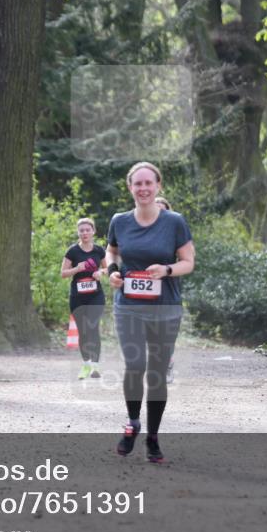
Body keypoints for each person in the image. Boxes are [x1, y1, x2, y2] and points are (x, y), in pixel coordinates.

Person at [106, 163, 195, 463]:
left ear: (158, 186)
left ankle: (153, 438)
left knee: (156, 373)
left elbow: (188, 261)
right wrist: (113, 271)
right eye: (137, 184)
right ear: (130, 187)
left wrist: (167, 269)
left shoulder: (174, 222)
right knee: (135, 365)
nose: (143, 188)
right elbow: (112, 251)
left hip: (165, 308)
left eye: (148, 183)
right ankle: (132, 424)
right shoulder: (119, 221)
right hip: (128, 305)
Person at [61, 218, 106, 379]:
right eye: (82, 230)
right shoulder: (72, 251)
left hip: (96, 296)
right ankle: (86, 364)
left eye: (88, 230)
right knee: (83, 332)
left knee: (93, 328)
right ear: (78, 232)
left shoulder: (99, 250)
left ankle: (96, 366)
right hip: (78, 297)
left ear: (93, 231)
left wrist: (100, 273)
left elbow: (107, 268)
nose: (85, 233)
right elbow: (63, 273)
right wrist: (76, 269)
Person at [154, 196, 177, 385]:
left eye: (163, 210)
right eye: (156, 209)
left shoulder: (176, 232)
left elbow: (186, 259)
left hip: (168, 288)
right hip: (145, 291)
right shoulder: (140, 232)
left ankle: (167, 365)